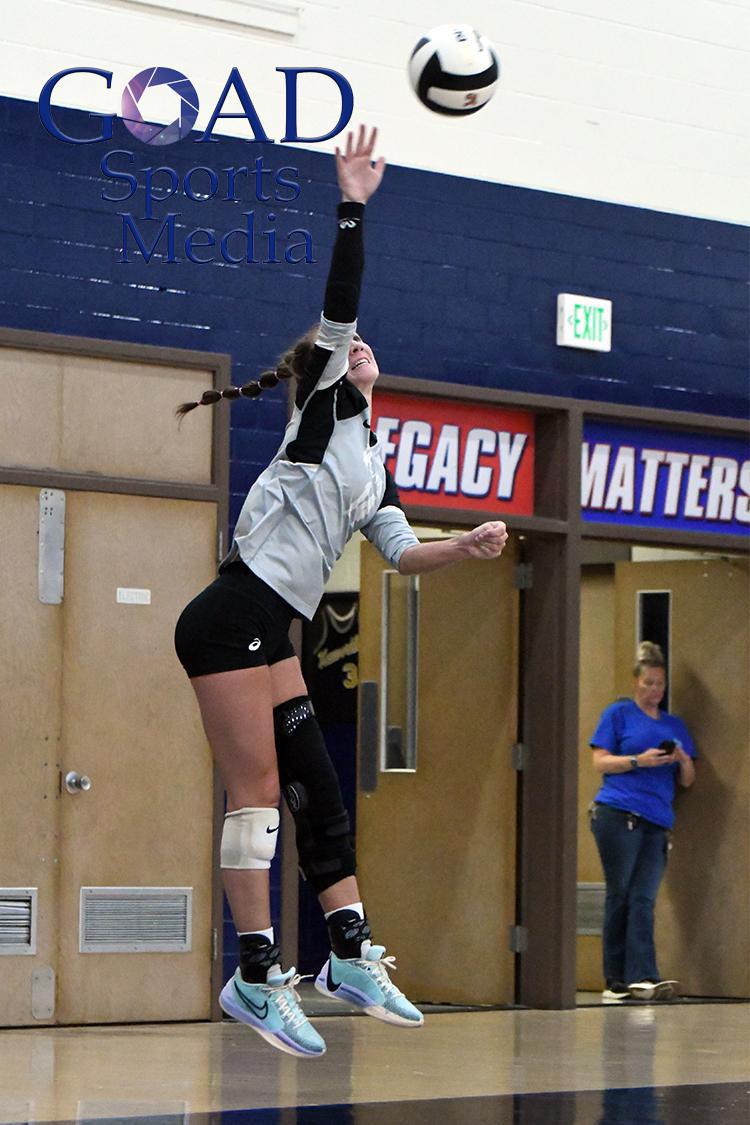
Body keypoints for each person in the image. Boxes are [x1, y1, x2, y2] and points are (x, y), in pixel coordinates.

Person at [173, 125, 509, 1058]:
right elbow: (341, 300)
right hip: (232, 613)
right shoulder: (321, 415)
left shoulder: (371, 468)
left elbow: (401, 555)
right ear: (330, 367)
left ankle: (349, 956)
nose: (361, 348)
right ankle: (251, 973)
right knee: (255, 797)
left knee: (317, 786)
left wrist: (468, 546)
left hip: (270, 627)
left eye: (364, 349)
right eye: (347, 347)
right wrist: (353, 203)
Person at [589, 641, 696, 1003]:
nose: (655, 691)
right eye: (649, 683)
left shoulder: (673, 724)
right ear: (636, 683)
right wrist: (638, 760)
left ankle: (643, 975)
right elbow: (600, 762)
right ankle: (614, 978)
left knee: (643, 897)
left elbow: (688, 780)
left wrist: (680, 758)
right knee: (619, 892)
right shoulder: (618, 714)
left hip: (657, 821)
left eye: (660, 685)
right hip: (618, 814)